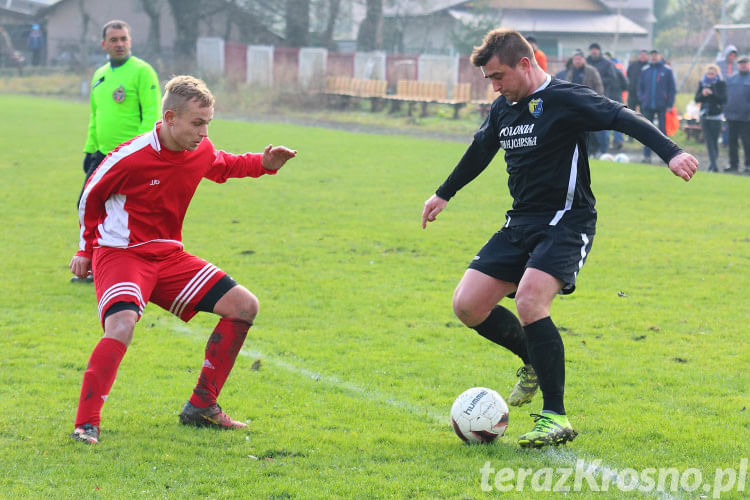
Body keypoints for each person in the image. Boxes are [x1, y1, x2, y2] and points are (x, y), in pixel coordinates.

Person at [421, 28, 697, 449]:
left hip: (567, 222)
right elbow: (479, 150)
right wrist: (444, 193)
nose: (494, 86)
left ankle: (555, 416)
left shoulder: (567, 98)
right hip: (521, 223)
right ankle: (532, 360)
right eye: (489, 79)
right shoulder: (503, 109)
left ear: (525, 65)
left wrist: (671, 152)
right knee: (468, 304)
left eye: (498, 76)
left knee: (531, 300)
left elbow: (623, 117)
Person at [68, 75, 298, 444]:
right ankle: (86, 424)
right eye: (197, 123)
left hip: (168, 255)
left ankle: (202, 407)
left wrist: (265, 163)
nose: (204, 133)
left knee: (244, 306)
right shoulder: (130, 157)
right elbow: (89, 198)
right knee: (122, 325)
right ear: (170, 118)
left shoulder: (199, 150)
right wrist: (85, 249)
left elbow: (225, 164)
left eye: (208, 123)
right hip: (122, 254)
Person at [72, 19, 162, 283]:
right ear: (104, 44)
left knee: (129, 214)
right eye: (114, 40)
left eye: (124, 38)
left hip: (131, 157)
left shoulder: (143, 72)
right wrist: (90, 150)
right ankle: (91, 264)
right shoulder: (99, 75)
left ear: (130, 41)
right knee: (87, 207)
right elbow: (95, 115)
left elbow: (151, 117)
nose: (119, 44)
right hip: (102, 155)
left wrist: (144, 153)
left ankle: (136, 266)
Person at [637, 49, 676, 164]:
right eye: (652, 55)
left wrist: (670, 104)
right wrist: (642, 98)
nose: (653, 57)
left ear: (660, 56)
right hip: (647, 105)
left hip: (662, 106)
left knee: (663, 132)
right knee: (647, 130)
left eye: (655, 55)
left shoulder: (667, 70)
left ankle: (664, 156)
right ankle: (646, 156)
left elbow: (672, 89)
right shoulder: (645, 70)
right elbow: (640, 87)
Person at [587, 43, 625, 155]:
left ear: (599, 51)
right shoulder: (586, 63)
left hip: (603, 97)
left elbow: (613, 79)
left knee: (602, 124)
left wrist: (597, 81)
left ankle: (603, 149)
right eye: (592, 49)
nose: (594, 51)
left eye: (596, 49)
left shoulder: (607, 64)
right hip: (586, 97)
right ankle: (590, 149)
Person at [694, 64, 726, 173]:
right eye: (708, 73)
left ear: (716, 74)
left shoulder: (721, 84)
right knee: (709, 141)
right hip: (704, 116)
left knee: (714, 141)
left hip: (716, 117)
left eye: (712, 73)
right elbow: (696, 99)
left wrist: (712, 93)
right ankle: (713, 165)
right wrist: (703, 94)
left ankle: (713, 164)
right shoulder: (702, 83)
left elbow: (723, 99)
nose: (710, 75)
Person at [724, 55, 750, 173]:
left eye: (745, 63)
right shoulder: (731, 78)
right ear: (738, 65)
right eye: (741, 63)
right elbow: (726, 96)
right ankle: (733, 164)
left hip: (746, 117)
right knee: (732, 142)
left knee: (747, 142)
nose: (743, 65)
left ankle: (748, 165)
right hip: (732, 116)